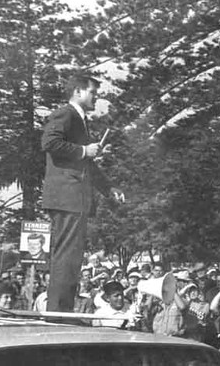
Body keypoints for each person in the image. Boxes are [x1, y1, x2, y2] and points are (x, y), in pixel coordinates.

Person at [42, 74, 124, 313]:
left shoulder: (79, 119)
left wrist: (109, 188)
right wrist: (83, 150)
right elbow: (50, 143)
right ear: (78, 91)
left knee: (72, 258)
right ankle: (58, 314)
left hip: (75, 199)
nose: (96, 98)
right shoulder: (66, 114)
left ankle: (62, 311)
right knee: (66, 258)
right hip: (67, 197)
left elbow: (87, 163)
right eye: (92, 93)